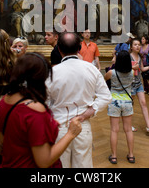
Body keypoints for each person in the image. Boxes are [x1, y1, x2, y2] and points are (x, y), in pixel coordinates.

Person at [0, 53, 82, 168]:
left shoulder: (4, 101)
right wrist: (71, 134)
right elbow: (44, 161)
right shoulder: (35, 111)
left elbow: (5, 141)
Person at [46, 32, 111, 168]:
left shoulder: (52, 73)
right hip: (82, 125)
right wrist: (88, 113)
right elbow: (106, 96)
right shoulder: (91, 69)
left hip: (59, 127)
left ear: (59, 49)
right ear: (79, 49)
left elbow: (44, 103)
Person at [104, 51, 136, 164]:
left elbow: (104, 81)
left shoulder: (111, 73)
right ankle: (131, 155)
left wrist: (112, 62)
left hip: (114, 102)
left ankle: (114, 156)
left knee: (114, 130)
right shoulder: (132, 72)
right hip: (127, 102)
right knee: (128, 130)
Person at [129, 38, 149, 135]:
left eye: (139, 45)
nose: (137, 46)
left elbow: (142, 69)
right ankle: (129, 125)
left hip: (139, 83)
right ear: (131, 47)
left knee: (144, 103)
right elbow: (124, 69)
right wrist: (132, 67)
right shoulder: (128, 57)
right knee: (130, 105)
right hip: (130, 84)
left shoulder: (140, 57)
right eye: (135, 44)